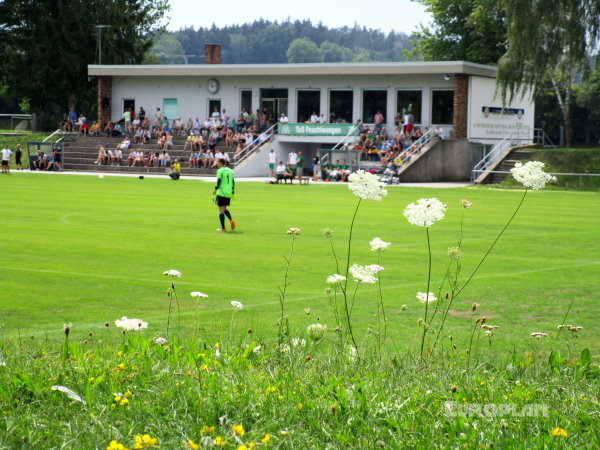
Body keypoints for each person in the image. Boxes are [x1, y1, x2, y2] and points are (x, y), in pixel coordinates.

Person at [213, 158, 236, 232]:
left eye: (217, 162)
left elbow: (219, 180)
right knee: (224, 208)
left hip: (221, 192)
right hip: (228, 192)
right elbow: (233, 181)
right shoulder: (230, 170)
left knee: (221, 210)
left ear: (221, 163)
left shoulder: (220, 170)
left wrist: (215, 189)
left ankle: (223, 228)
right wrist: (232, 190)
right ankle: (231, 220)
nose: (216, 163)